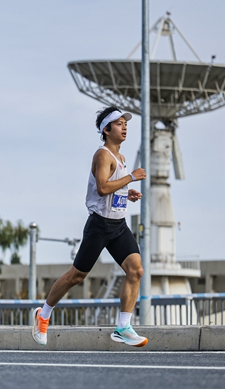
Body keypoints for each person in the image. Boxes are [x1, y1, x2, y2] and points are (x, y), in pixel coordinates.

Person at [32, 107, 149, 347]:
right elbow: (103, 188)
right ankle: (42, 315)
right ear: (106, 130)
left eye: (125, 123)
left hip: (118, 226)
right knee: (77, 276)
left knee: (136, 271)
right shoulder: (103, 155)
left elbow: (113, 190)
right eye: (118, 124)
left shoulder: (121, 159)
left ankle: (123, 327)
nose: (124, 126)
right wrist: (132, 178)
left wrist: (127, 194)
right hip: (99, 225)